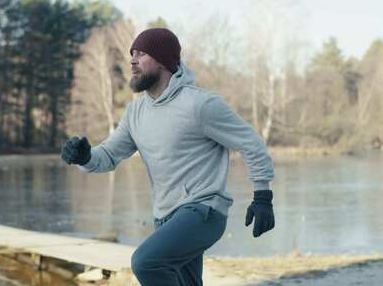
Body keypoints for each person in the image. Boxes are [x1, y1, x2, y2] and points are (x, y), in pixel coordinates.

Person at [60, 28, 275, 286]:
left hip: (203, 211)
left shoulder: (200, 105)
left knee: (146, 262)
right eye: (132, 54)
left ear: (162, 60)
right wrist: (84, 156)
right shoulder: (135, 112)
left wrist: (263, 196)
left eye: (141, 54)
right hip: (165, 217)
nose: (132, 60)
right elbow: (106, 156)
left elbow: (251, 143)